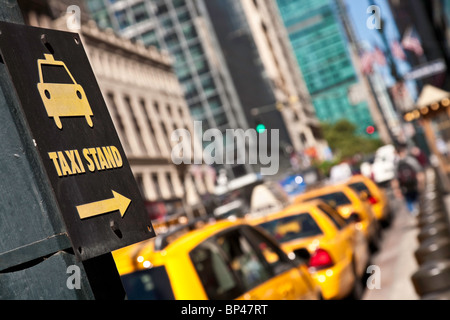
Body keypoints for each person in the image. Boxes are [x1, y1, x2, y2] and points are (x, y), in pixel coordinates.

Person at [392, 143, 425, 216]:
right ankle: (419, 212)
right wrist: (421, 182)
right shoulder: (410, 160)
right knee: (416, 198)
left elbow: (395, 177)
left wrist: (396, 189)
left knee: (409, 200)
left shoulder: (396, 163)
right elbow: (418, 170)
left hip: (405, 185)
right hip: (413, 183)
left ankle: (414, 213)